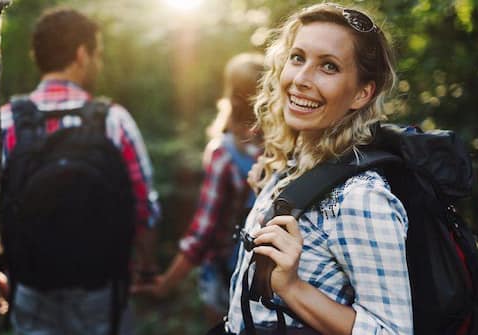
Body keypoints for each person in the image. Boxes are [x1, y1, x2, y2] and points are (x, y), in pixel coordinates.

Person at [223, 3, 413, 334]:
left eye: (328, 66)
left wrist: (293, 288)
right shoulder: (292, 168)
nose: (301, 79)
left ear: (362, 93)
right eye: (297, 58)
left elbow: (392, 331)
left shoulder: (361, 198)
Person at [0, 7, 161, 335]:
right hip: (101, 289)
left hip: (30, 287)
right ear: (82, 54)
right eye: (97, 53)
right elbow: (145, 210)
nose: (98, 62)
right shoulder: (114, 120)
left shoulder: (5, 121)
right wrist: (144, 269)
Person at [139, 53, 264, 324]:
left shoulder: (224, 154)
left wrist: (167, 283)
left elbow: (203, 232)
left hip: (226, 275)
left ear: (231, 95)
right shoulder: (284, 148)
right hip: (268, 277)